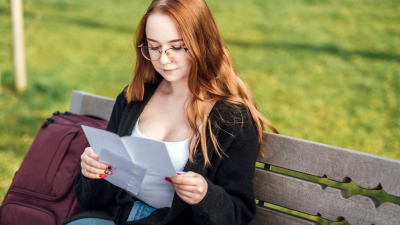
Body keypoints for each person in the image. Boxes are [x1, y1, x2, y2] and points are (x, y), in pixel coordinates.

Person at [63, 0, 277, 224]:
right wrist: (94, 173)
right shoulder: (135, 97)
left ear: (201, 43)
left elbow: (238, 214)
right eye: (154, 47)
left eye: (176, 47)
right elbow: (92, 200)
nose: (163, 59)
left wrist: (205, 195)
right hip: (115, 217)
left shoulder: (232, 119)